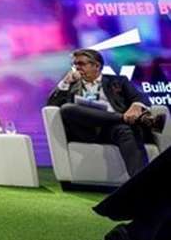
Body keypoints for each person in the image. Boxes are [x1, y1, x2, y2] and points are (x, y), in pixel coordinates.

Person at [47, 48, 153, 179]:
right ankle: (123, 118)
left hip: (113, 129)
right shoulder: (71, 85)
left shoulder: (118, 81)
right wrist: (65, 82)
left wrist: (136, 105)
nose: (76, 68)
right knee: (67, 109)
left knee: (126, 131)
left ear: (96, 66)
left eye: (81, 64)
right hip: (86, 131)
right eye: (74, 64)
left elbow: (141, 97)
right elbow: (51, 105)